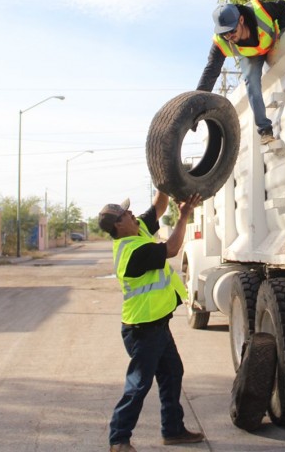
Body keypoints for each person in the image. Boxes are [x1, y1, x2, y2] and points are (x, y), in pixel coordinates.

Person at [100, 190, 204, 452]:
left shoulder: (139, 230)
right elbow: (172, 248)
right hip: (143, 329)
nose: (131, 213)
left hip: (157, 324)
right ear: (117, 225)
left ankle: (173, 430)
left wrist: (164, 180)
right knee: (138, 384)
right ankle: (118, 439)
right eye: (125, 213)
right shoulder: (133, 251)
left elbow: (158, 206)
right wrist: (183, 216)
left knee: (172, 373)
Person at [197, 0, 285, 145]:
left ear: (241, 20)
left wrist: (284, 31)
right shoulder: (220, 42)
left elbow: (282, 6)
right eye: (224, 34)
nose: (229, 37)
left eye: (232, 31)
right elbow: (211, 70)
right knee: (251, 82)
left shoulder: (261, 11)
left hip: (273, 42)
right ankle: (265, 130)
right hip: (252, 56)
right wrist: (197, 106)